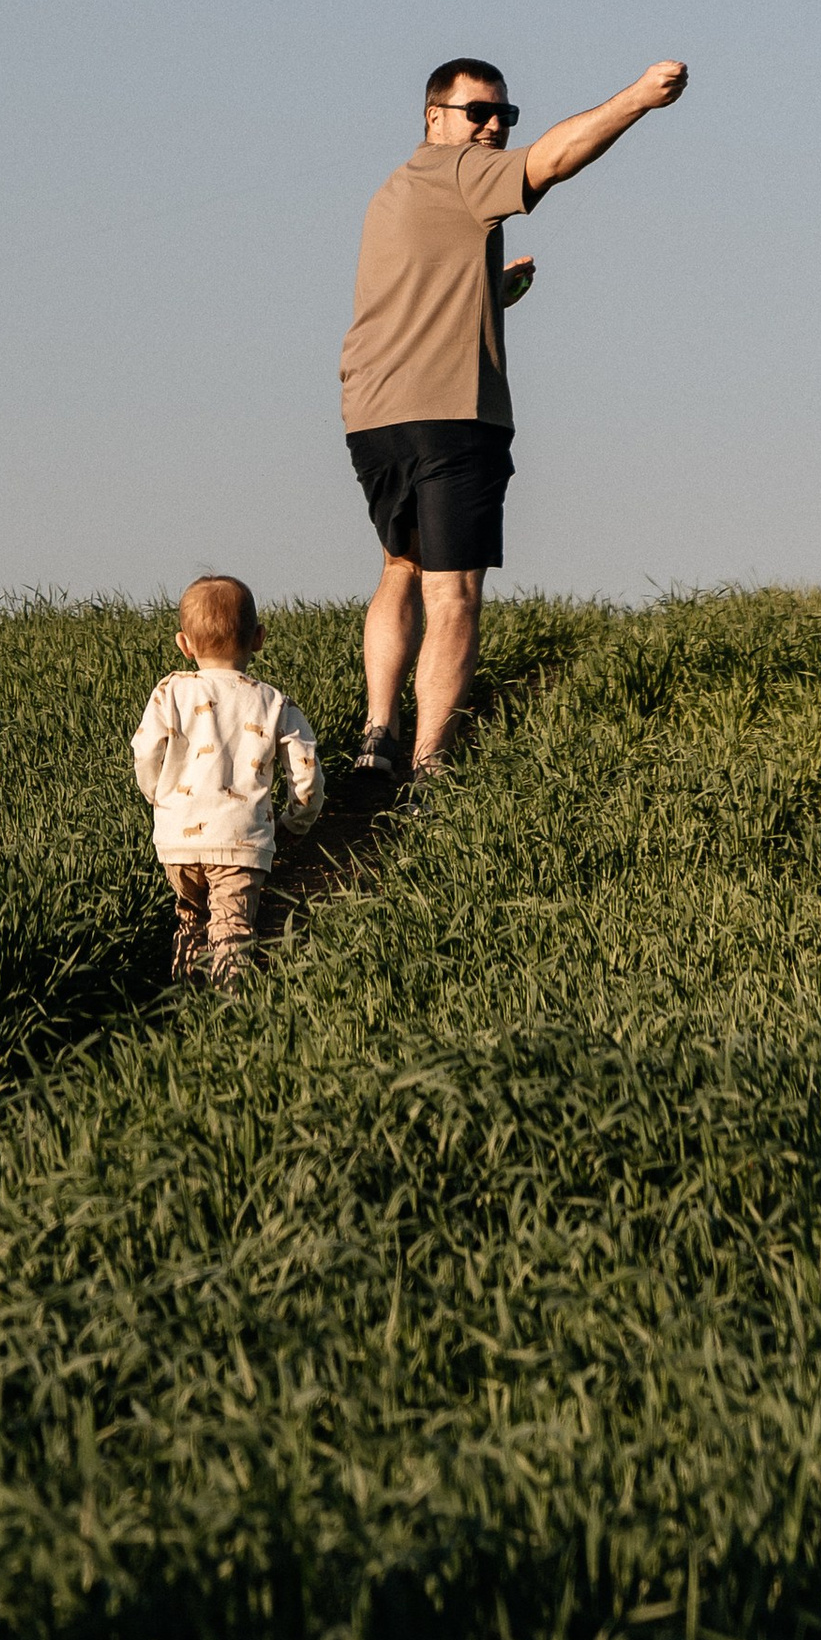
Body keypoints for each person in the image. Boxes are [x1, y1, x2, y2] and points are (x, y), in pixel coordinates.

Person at [340, 51, 688, 779]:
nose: (495, 126)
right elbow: (554, 160)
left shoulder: (396, 191)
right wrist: (638, 99)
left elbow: (410, 300)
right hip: (452, 414)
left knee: (400, 566)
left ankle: (377, 734)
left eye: (505, 115)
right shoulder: (462, 171)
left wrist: (489, 293)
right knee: (455, 588)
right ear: (435, 119)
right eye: (479, 113)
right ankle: (433, 766)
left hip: (374, 416)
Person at [130, 574, 325, 989]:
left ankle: (186, 996)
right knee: (232, 925)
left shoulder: (170, 692)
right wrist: (295, 822)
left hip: (177, 842)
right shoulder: (274, 703)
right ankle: (229, 1005)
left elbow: (145, 752)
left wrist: (159, 799)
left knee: (190, 918)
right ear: (259, 638)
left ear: (184, 644)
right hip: (240, 841)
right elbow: (305, 773)